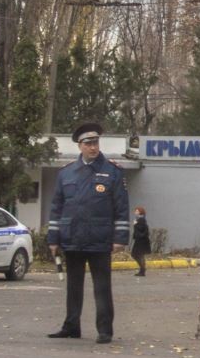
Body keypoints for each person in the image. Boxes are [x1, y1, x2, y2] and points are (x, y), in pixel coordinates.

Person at [47, 122, 130, 345]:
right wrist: (53, 238)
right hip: (72, 238)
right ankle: (71, 326)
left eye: (95, 143)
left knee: (102, 288)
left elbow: (121, 208)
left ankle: (105, 330)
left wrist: (120, 238)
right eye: (88, 143)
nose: (93, 147)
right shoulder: (66, 173)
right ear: (80, 146)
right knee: (73, 287)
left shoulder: (112, 171)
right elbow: (57, 207)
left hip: (100, 239)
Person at [130, 206, 151, 276]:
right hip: (141, 240)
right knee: (140, 255)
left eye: (136, 211)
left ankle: (142, 269)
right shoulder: (140, 219)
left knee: (136, 254)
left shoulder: (141, 219)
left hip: (141, 241)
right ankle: (142, 269)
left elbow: (142, 229)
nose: (135, 212)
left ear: (140, 212)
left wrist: (135, 224)